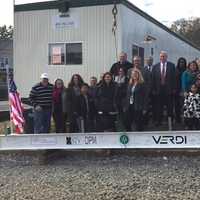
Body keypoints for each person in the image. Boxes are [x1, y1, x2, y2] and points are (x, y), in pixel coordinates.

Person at [152, 51, 176, 126]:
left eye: (164, 56)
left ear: (166, 57)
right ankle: (158, 121)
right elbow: (153, 79)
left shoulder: (171, 66)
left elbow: (174, 78)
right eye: (161, 56)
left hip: (169, 90)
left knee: (170, 107)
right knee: (159, 107)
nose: (163, 58)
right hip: (158, 90)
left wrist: (174, 88)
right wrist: (153, 89)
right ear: (159, 57)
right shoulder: (155, 66)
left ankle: (170, 122)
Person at [127, 56, 151, 124]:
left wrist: (147, 92)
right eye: (135, 61)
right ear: (133, 62)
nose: (136, 62)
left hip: (141, 98)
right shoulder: (129, 71)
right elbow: (128, 84)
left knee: (140, 120)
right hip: (131, 100)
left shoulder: (146, 70)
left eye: (138, 61)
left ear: (140, 62)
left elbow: (149, 83)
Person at [175, 57, 187, 123]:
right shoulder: (175, 70)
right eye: (180, 62)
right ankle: (177, 119)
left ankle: (185, 119)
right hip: (177, 90)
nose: (181, 63)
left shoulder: (186, 70)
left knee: (184, 106)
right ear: (178, 62)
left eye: (183, 62)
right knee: (177, 106)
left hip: (185, 91)